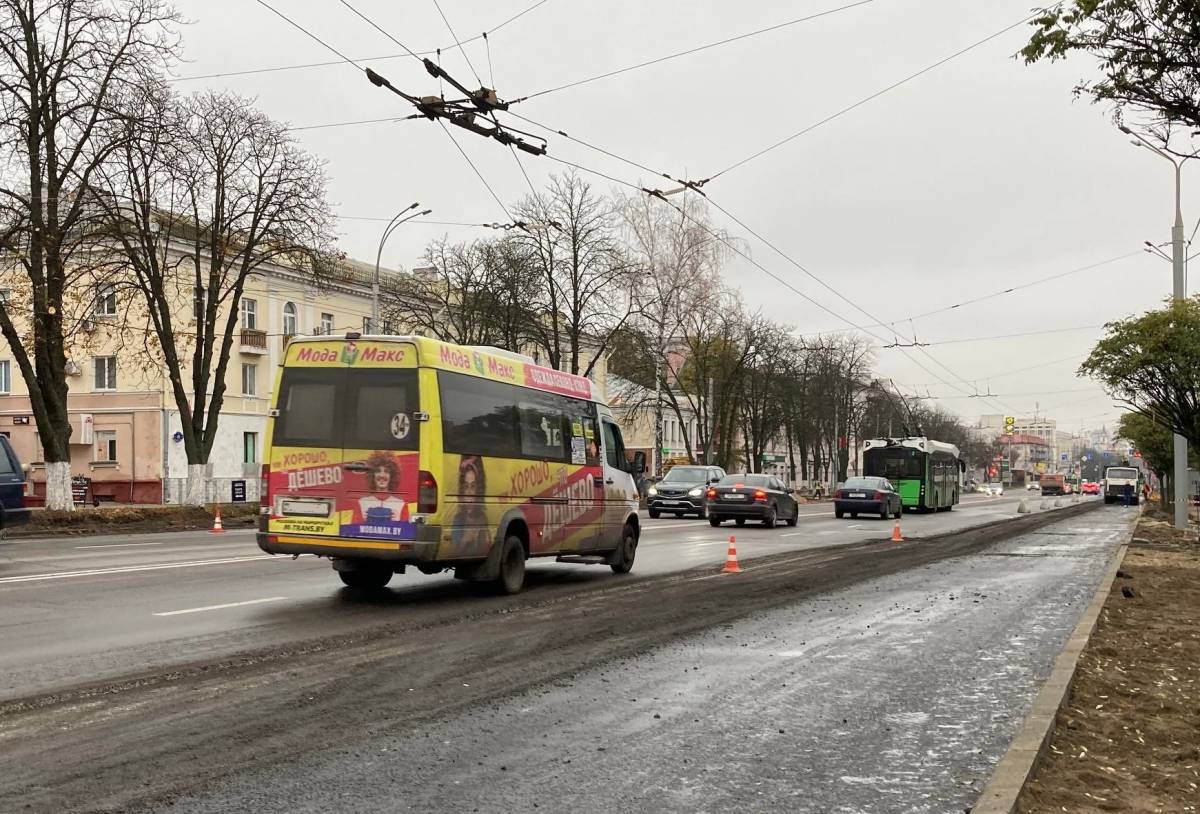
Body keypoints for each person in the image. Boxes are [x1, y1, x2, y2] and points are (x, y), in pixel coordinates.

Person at [355, 452, 409, 523]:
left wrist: (398, 521)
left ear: (392, 476)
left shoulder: (401, 505)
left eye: (386, 471)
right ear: (372, 475)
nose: (382, 475)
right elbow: (353, 531)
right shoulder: (361, 503)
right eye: (378, 471)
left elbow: (405, 531)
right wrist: (363, 522)